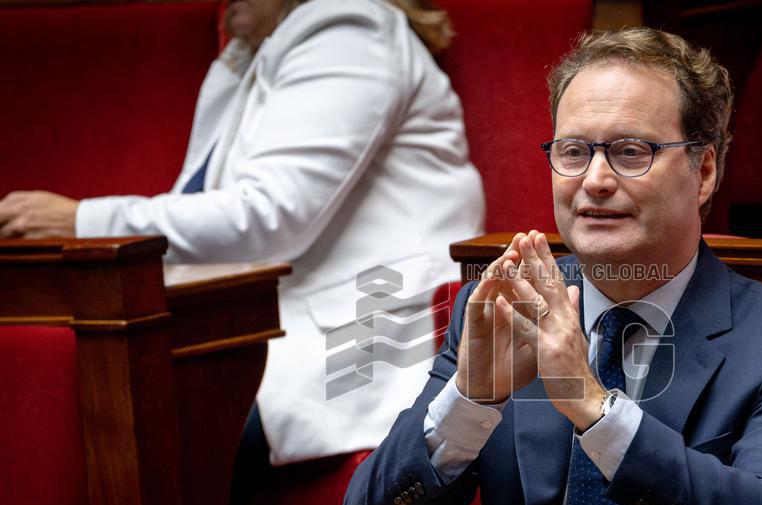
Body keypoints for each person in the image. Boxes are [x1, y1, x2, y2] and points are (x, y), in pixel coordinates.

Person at [343, 28, 762, 505]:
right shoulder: (505, 310)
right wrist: (471, 399)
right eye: (574, 151)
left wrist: (595, 410)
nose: (596, 180)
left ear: (705, 170)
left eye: (632, 151)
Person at [0, 0, 485, 465]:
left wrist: (84, 222)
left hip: (358, 340)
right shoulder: (262, 51)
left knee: (117, 435)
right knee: (78, 410)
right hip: (277, 326)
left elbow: (265, 215)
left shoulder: (346, 29)